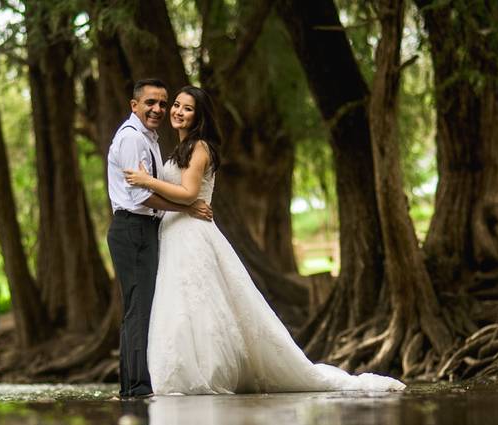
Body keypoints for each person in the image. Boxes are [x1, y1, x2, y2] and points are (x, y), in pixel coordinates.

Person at [124, 86, 405, 393]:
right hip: (175, 232)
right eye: (176, 105)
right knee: (180, 303)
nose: (177, 112)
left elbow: (190, 193)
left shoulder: (200, 148)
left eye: (187, 108)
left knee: (196, 301)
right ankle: (179, 371)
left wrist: (148, 181)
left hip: (192, 233)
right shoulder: (180, 149)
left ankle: (207, 372)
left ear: (199, 116)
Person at [106, 78, 214, 398]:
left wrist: (184, 207)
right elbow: (140, 196)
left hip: (147, 228)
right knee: (139, 309)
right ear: (134, 105)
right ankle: (137, 386)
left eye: (162, 103)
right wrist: (188, 207)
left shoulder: (150, 138)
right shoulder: (132, 139)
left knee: (146, 307)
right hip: (133, 227)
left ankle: (136, 382)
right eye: (151, 103)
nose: (159, 109)